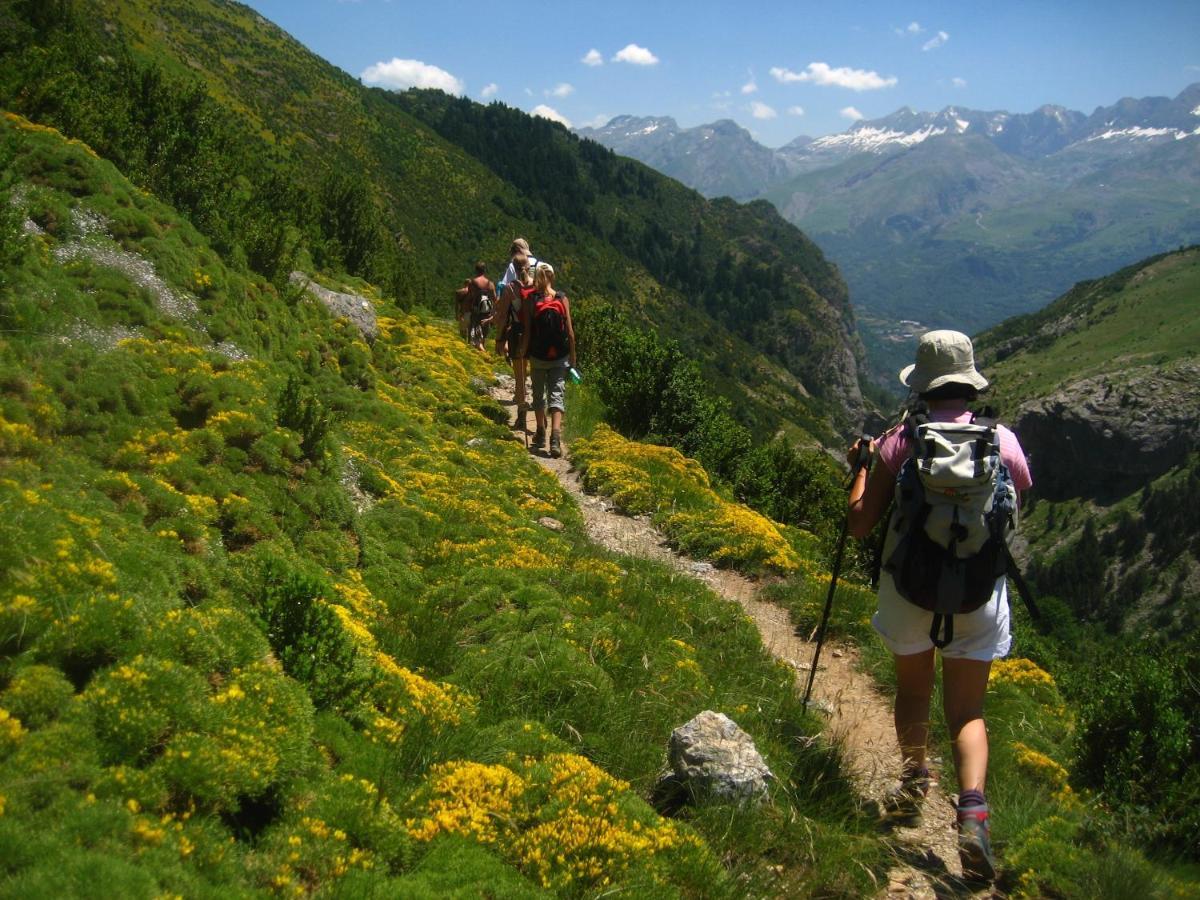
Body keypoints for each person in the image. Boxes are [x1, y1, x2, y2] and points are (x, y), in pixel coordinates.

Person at [845, 330, 1032, 883]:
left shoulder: (901, 442)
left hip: (909, 587)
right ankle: (972, 809)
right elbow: (1020, 497)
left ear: (922, 387)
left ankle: (914, 783)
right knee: (968, 712)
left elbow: (859, 526)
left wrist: (860, 465)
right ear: (969, 383)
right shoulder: (1003, 440)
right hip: (978, 592)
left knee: (913, 690)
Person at [518, 263, 576, 458]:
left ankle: (541, 431)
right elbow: (570, 332)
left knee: (538, 395)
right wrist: (573, 358)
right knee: (556, 395)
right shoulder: (562, 298)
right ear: (552, 276)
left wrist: (523, 355)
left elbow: (527, 331)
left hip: (538, 355)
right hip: (560, 356)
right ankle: (555, 438)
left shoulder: (531, 300)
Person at [493, 253, 534, 431]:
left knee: (520, 379)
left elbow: (502, 316)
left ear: (514, 269)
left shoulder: (510, 288)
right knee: (538, 377)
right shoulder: (538, 285)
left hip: (517, 334)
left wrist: (499, 338)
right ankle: (541, 421)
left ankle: (522, 418)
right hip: (535, 336)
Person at [466, 261, 496, 352]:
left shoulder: (473, 283)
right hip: (486, 313)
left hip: (476, 312)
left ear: (476, 270)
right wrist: (493, 314)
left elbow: (470, 297)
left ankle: (480, 355)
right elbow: (495, 300)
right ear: (484, 270)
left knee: (474, 337)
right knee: (483, 337)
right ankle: (483, 355)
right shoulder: (490, 284)